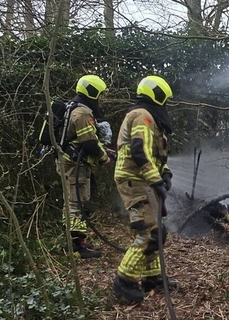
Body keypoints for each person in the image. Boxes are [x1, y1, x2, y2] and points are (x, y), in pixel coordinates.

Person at [111, 75, 175, 303]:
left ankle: (152, 278)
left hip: (142, 179)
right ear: (157, 96)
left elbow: (153, 153)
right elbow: (139, 152)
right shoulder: (142, 116)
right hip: (135, 180)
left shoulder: (148, 118)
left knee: (157, 232)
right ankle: (123, 281)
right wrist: (156, 180)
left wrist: (164, 172)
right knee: (149, 232)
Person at [56, 74, 111, 259]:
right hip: (75, 166)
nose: (101, 97)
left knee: (73, 203)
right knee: (77, 204)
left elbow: (84, 140)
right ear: (92, 92)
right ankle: (77, 248)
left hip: (71, 163)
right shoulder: (82, 113)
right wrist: (104, 157)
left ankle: (76, 242)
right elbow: (89, 143)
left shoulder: (76, 108)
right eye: (100, 93)